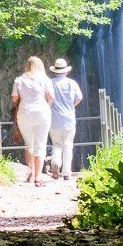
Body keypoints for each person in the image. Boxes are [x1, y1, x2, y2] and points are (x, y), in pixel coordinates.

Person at [11, 56, 54, 186]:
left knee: (29, 144)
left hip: (24, 113)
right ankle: (38, 177)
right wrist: (46, 106)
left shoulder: (19, 80)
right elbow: (51, 97)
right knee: (40, 144)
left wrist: (22, 101)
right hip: (42, 113)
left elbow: (14, 98)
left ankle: (31, 173)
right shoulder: (45, 80)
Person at [48, 58, 83, 180]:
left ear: (55, 71)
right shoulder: (72, 83)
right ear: (66, 71)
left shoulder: (50, 83)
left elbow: (46, 99)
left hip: (54, 120)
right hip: (69, 119)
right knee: (68, 146)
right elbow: (79, 98)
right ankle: (67, 173)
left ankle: (56, 165)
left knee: (56, 144)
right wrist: (71, 106)